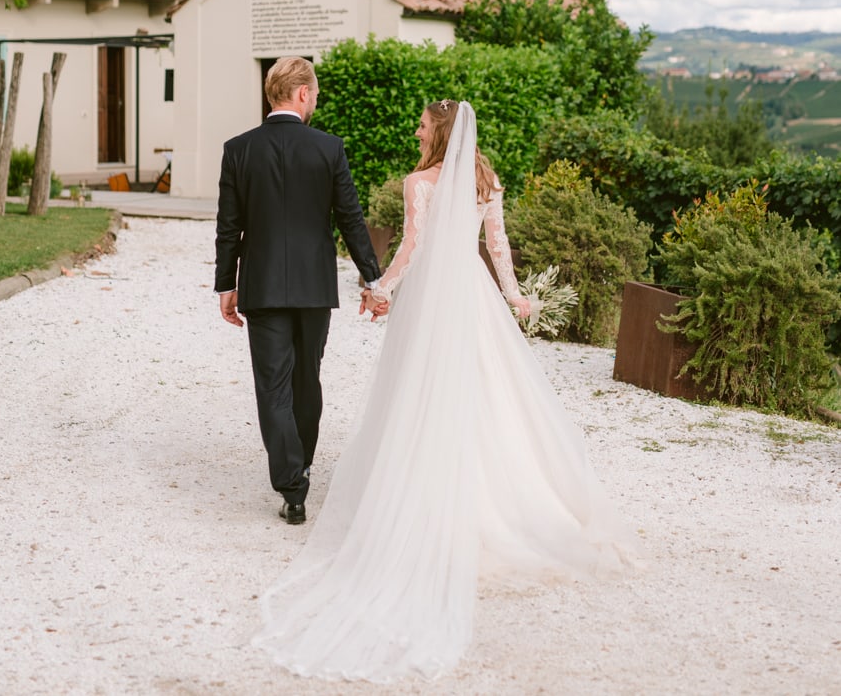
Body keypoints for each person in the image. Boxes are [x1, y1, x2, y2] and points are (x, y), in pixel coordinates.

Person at [252, 99, 643, 681]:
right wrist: (514, 299)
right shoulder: (487, 182)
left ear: (440, 135)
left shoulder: (420, 184)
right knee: (486, 396)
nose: (415, 130)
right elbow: (499, 248)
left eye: (422, 125)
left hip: (434, 300)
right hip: (475, 296)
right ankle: (499, 501)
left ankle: (430, 499)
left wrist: (380, 288)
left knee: (420, 394)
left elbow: (411, 249)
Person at [215, 56, 383, 526]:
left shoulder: (238, 149)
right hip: (313, 287)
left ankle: (292, 487)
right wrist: (372, 279)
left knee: (273, 386)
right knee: (307, 378)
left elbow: (228, 227)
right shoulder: (328, 148)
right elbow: (350, 217)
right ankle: (302, 465)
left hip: (261, 286)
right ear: (303, 93)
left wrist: (226, 284)